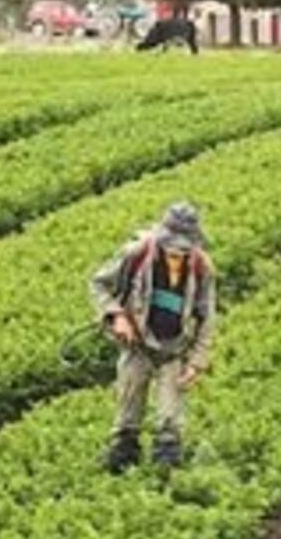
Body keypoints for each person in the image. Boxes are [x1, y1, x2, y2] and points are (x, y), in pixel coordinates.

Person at [92, 202, 217, 472]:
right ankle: (123, 467)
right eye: (171, 247)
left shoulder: (201, 267)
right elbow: (99, 284)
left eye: (183, 249)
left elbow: (207, 318)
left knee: (169, 425)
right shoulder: (137, 254)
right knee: (126, 420)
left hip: (174, 350)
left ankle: (164, 479)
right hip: (137, 345)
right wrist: (117, 316)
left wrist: (196, 362)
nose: (176, 253)